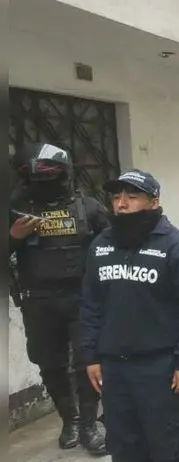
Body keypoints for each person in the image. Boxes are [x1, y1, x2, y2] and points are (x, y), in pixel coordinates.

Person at [80, 169, 179, 462]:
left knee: (171, 446)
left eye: (132, 196)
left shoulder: (175, 245)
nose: (122, 203)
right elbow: (90, 305)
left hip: (161, 369)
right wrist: (90, 356)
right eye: (116, 197)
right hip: (114, 371)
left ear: (153, 202)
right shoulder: (101, 246)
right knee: (124, 446)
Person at [8, 143, 111, 455]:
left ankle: (89, 425)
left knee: (86, 362)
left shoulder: (89, 208)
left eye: (49, 175)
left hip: (82, 298)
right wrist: (13, 237)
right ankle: (71, 420)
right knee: (49, 363)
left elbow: (113, 248)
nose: (43, 182)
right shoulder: (16, 211)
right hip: (38, 300)